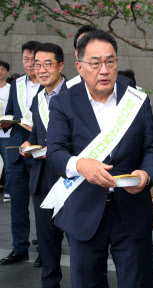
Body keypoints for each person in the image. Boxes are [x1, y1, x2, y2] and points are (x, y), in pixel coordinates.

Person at [46, 30, 153, 287]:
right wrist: (79, 164)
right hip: (84, 211)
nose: (104, 70)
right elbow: (54, 152)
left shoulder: (136, 100)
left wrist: (145, 175)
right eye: (95, 62)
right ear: (79, 66)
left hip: (131, 212)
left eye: (110, 62)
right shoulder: (63, 102)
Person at [20, 43, 67, 287]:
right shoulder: (39, 97)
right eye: (37, 65)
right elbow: (38, 135)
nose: (41, 70)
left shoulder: (76, 94)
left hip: (70, 179)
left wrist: (57, 153)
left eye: (48, 64)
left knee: (81, 241)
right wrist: (29, 145)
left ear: (61, 66)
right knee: (47, 243)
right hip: (42, 179)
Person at [1, 41, 44, 266]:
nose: (29, 64)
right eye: (25, 59)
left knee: (43, 205)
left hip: (40, 152)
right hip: (16, 151)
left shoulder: (52, 83)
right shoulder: (16, 83)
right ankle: (20, 248)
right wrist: (5, 123)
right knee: (17, 203)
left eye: (33, 60)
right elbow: (10, 113)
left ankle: (46, 251)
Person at [118, 69, 153, 254]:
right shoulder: (72, 101)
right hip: (89, 213)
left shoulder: (140, 102)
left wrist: (146, 173)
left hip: (133, 199)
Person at [0, 60, 11, 202]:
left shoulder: (11, 89)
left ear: (7, 72)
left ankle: (8, 190)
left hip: (7, 133)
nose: (0, 71)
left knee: (9, 164)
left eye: (2, 69)